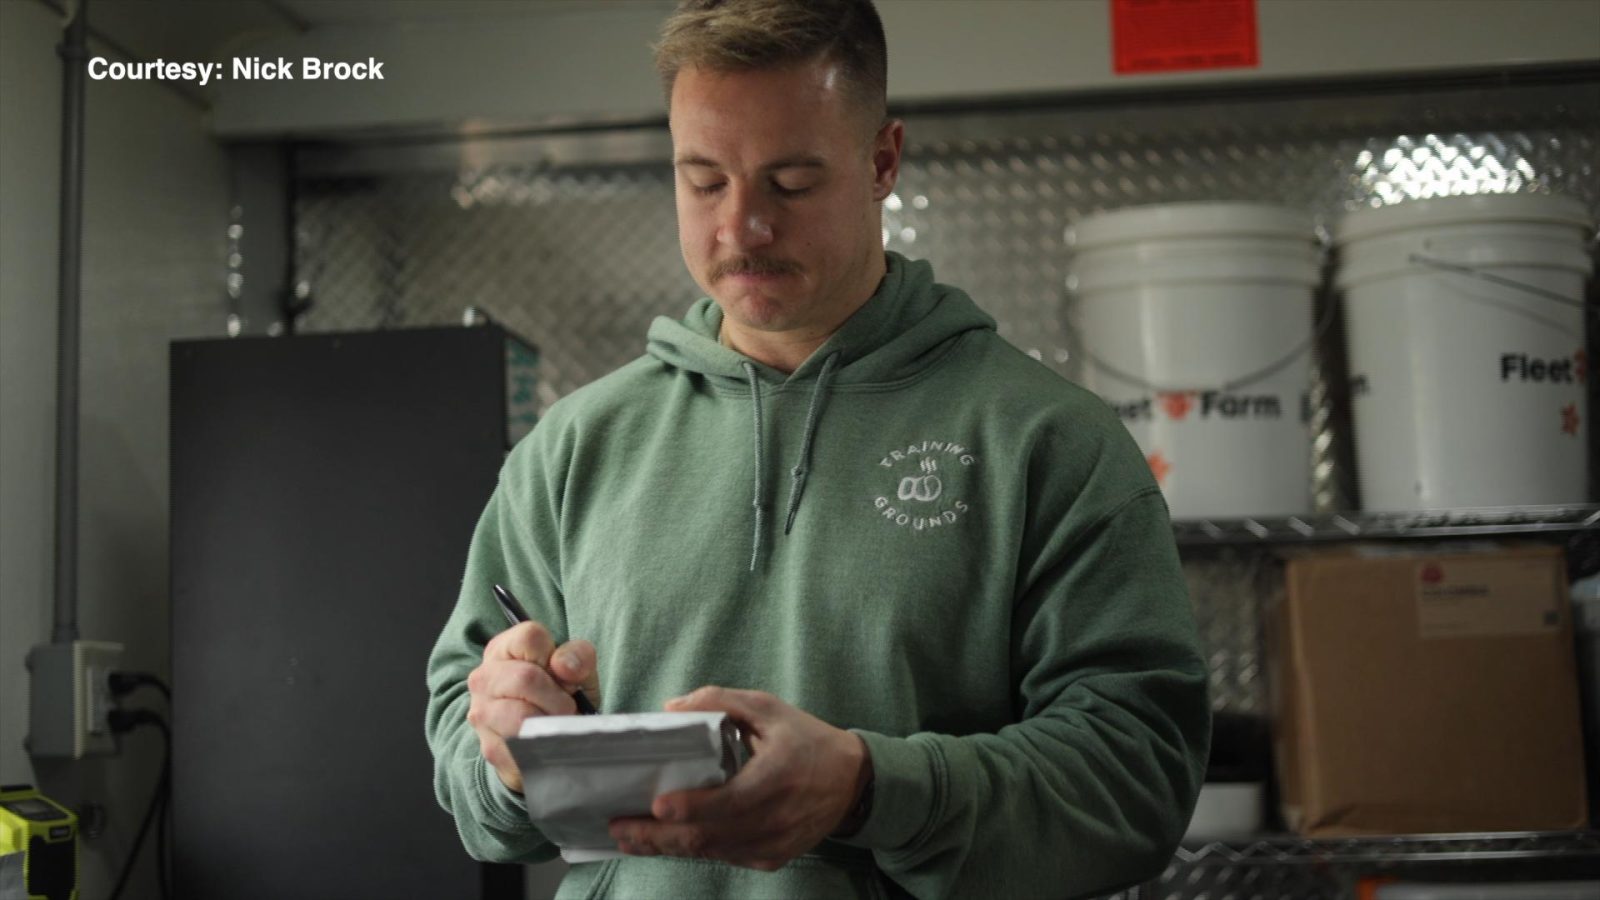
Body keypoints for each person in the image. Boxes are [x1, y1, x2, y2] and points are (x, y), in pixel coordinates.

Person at [424, 0, 1211, 897]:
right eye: (703, 180)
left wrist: (872, 789)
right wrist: (510, 754)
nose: (743, 228)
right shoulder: (572, 449)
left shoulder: (1046, 440)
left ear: (883, 161)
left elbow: (1138, 779)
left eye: (791, 183)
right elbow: (465, 757)